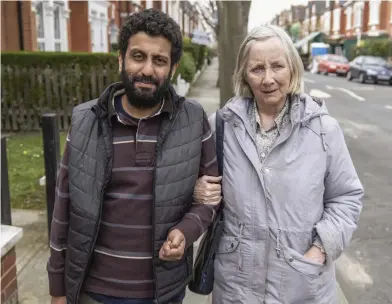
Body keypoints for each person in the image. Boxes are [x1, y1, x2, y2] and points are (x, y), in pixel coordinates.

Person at [47, 9, 221, 304]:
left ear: (173, 68)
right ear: (121, 58)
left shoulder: (193, 120)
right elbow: (63, 209)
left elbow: (210, 199)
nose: (147, 70)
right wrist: (57, 290)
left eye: (160, 60)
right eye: (138, 56)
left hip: (163, 291)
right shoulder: (85, 121)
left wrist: (187, 230)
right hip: (94, 291)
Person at [194, 24, 364, 304]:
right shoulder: (221, 126)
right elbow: (196, 186)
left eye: (277, 66)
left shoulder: (324, 130)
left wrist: (321, 249)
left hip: (301, 284)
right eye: (257, 68)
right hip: (236, 287)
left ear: (293, 69)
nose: (268, 78)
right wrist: (198, 191)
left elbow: (346, 197)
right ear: (244, 75)